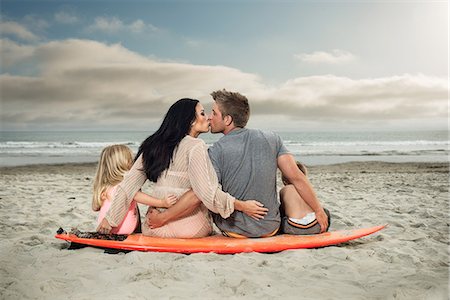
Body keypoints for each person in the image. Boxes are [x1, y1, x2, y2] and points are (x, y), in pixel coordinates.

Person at [148, 90, 330, 238]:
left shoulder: (215, 151)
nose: (210, 118)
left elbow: (198, 194)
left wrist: (163, 218)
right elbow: (296, 177)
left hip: (233, 231)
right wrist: (318, 211)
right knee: (287, 191)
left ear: (227, 120)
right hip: (269, 229)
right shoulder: (272, 138)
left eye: (214, 113)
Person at [97, 98, 268, 238]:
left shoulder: (153, 145)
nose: (208, 117)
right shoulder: (195, 146)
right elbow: (206, 193)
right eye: (202, 113)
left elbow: (128, 186)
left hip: (153, 228)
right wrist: (242, 206)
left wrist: (110, 220)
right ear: (191, 121)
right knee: (200, 196)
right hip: (188, 229)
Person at [92, 144, 177, 234]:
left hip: (103, 228)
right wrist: (161, 202)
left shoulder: (103, 188)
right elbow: (137, 196)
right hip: (121, 231)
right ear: (124, 164)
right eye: (131, 160)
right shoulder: (124, 185)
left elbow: (95, 207)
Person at [280, 161, 331, 235]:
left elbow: (282, 210)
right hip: (315, 225)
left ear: (284, 181)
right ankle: (324, 230)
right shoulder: (308, 189)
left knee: (281, 217)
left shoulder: (284, 190)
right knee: (325, 211)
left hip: (294, 228)